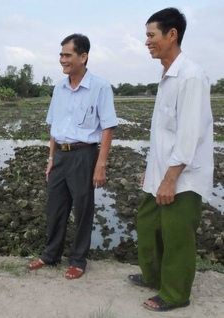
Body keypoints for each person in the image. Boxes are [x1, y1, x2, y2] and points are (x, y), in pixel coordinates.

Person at [128, 7, 214, 312]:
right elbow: (164, 134)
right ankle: (153, 276)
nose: (147, 41)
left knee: (177, 236)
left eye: (151, 35)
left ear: (172, 34)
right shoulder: (167, 75)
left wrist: (170, 177)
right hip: (162, 172)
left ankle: (176, 294)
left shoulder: (190, 75)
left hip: (183, 177)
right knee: (149, 223)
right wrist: (153, 171)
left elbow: (188, 135)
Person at [27, 34, 118, 279]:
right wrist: (50, 159)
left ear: (83, 56)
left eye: (67, 55)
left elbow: (108, 127)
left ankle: (78, 260)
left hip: (84, 155)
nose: (62, 60)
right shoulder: (59, 88)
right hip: (61, 156)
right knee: (55, 207)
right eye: (61, 55)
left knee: (83, 208)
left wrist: (101, 164)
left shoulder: (100, 87)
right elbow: (54, 127)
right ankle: (50, 255)